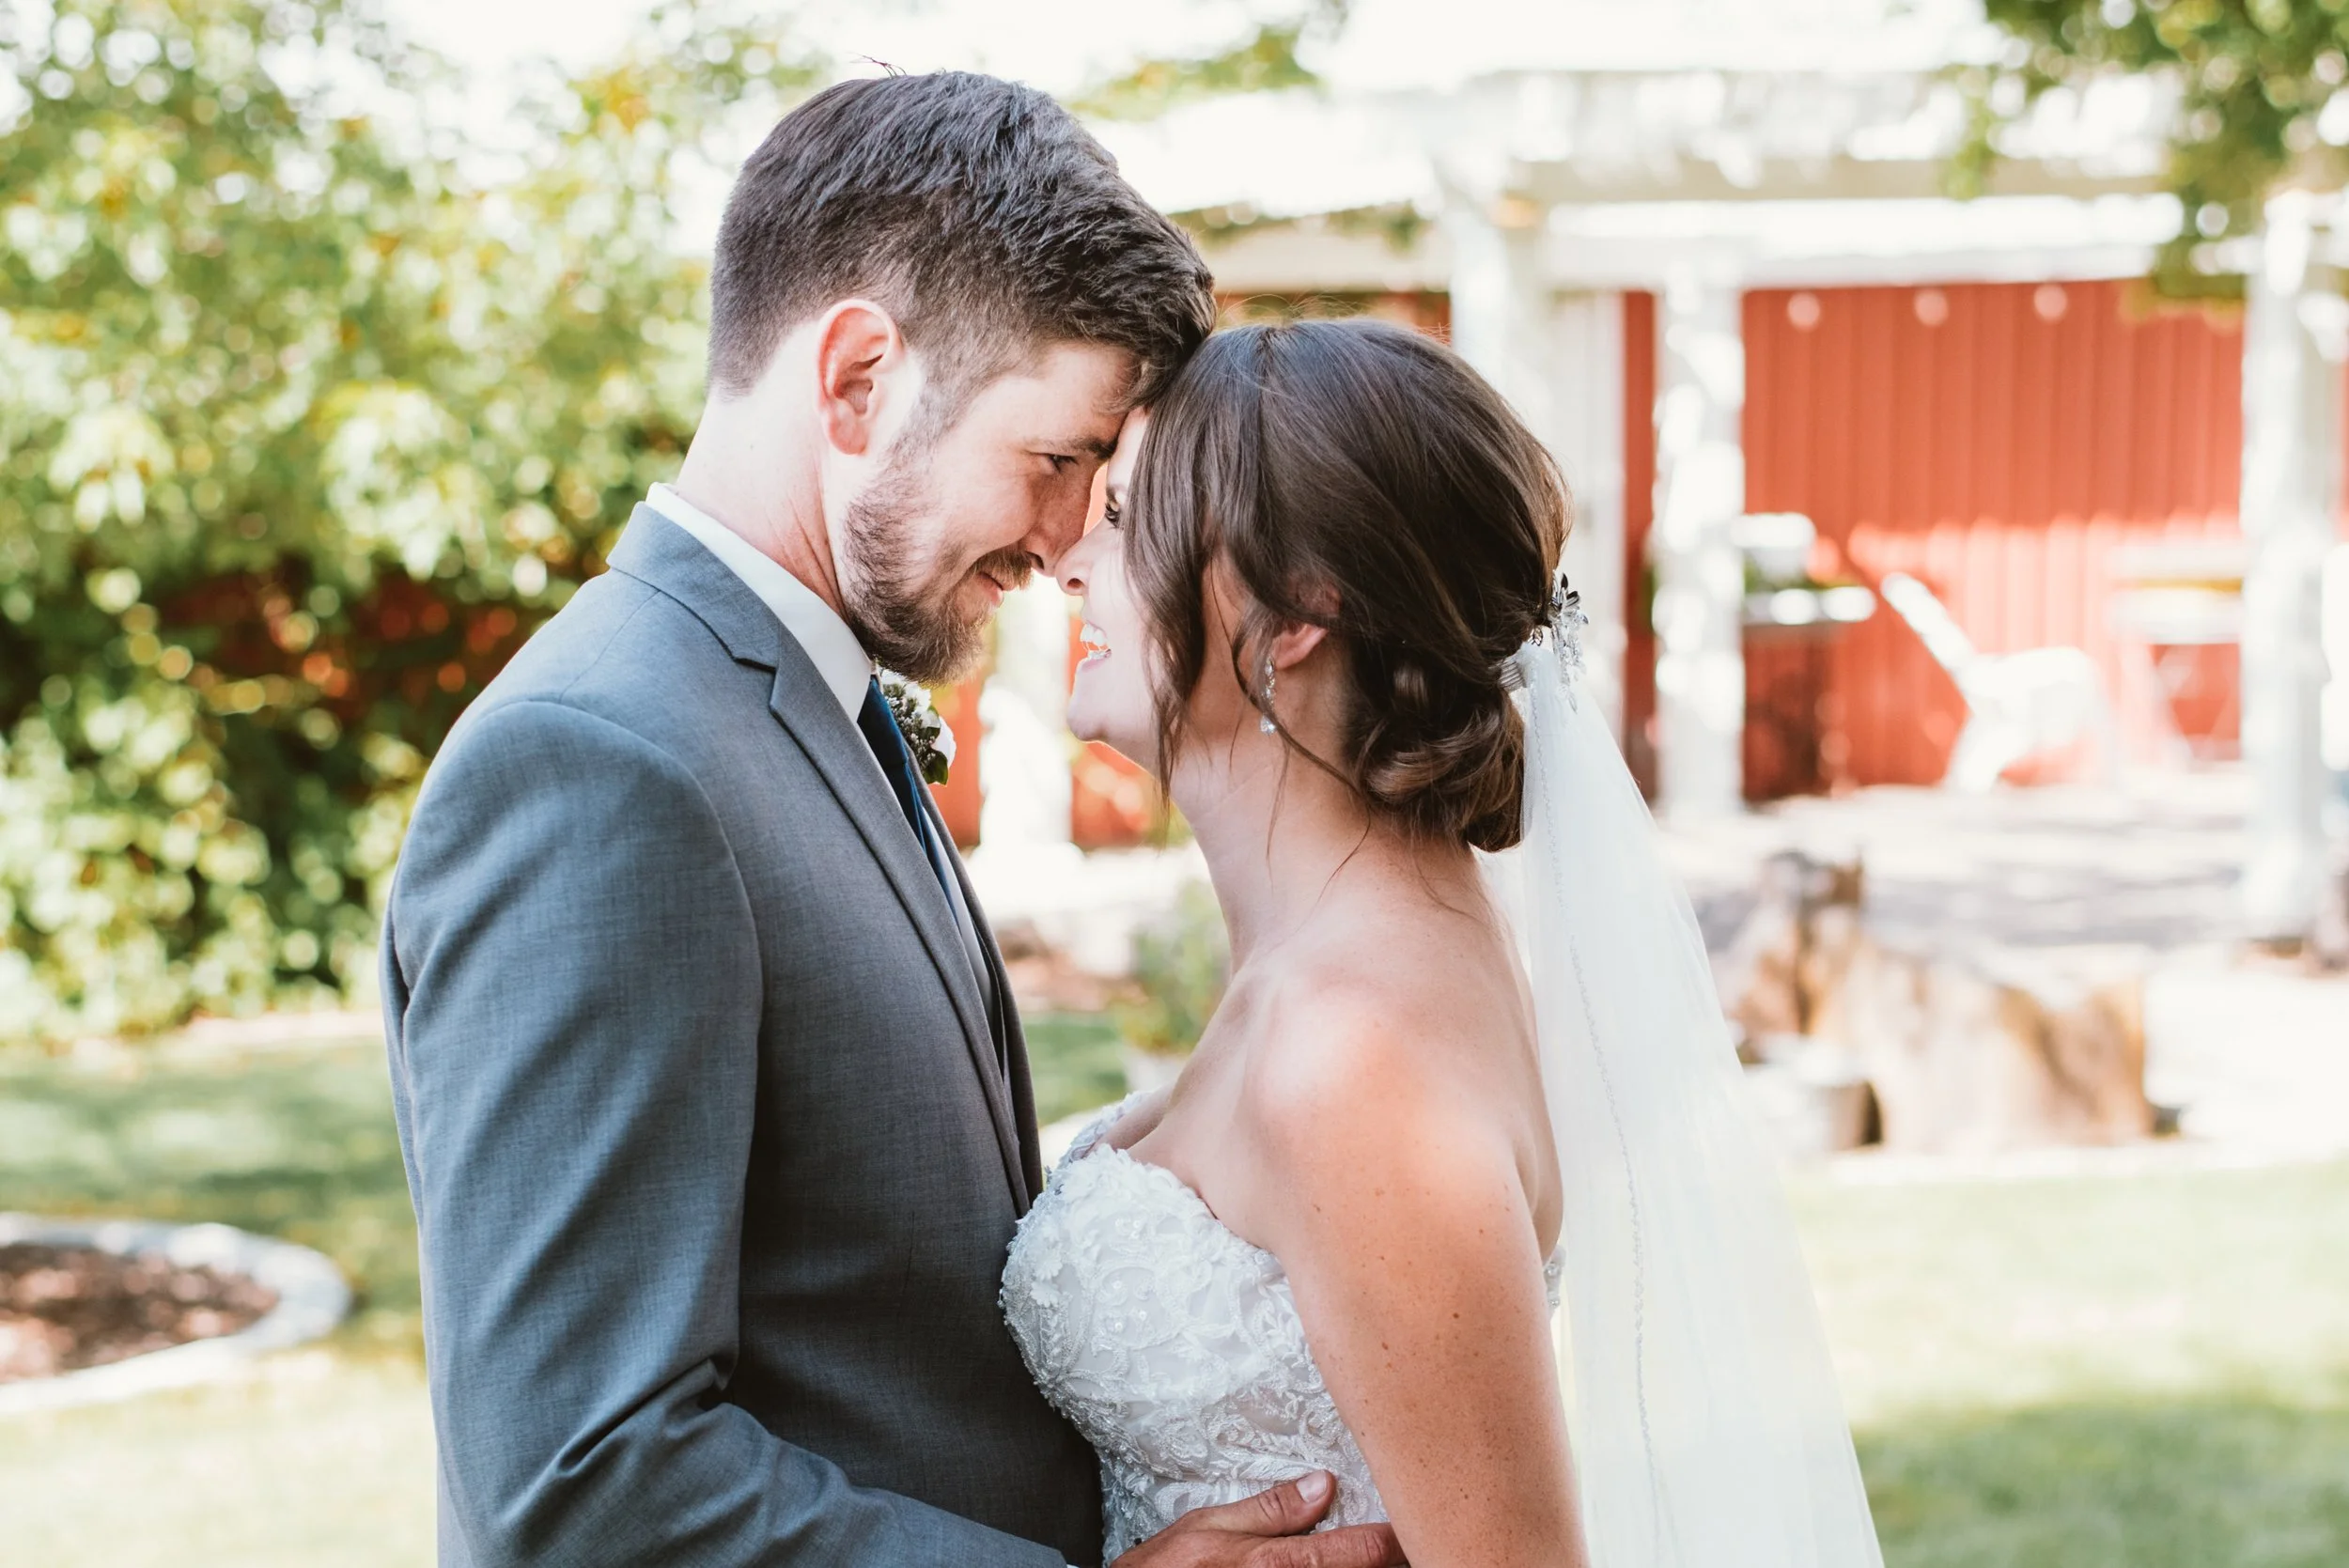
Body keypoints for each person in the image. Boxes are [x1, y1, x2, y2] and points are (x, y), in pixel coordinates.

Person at [381, 73, 1404, 1568]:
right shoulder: (600, 766)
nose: (1067, 543)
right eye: (1056, 461)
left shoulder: (802, 705)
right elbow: (583, 1483)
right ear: (856, 378)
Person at [1005, 319, 1887, 1567]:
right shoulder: (1344, 961)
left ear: (1296, 608)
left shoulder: (1357, 1052)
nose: (1071, 561)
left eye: (1127, 515)